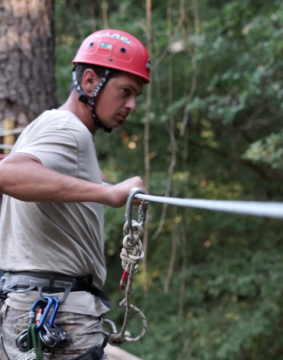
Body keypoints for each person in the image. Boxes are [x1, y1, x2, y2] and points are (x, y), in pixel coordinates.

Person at [0, 29, 150, 360]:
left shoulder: (48, 124)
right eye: (125, 91)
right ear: (89, 81)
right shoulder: (69, 130)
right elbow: (7, 174)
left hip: (35, 305)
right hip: (58, 310)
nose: (132, 105)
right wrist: (107, 193)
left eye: (136, 95)